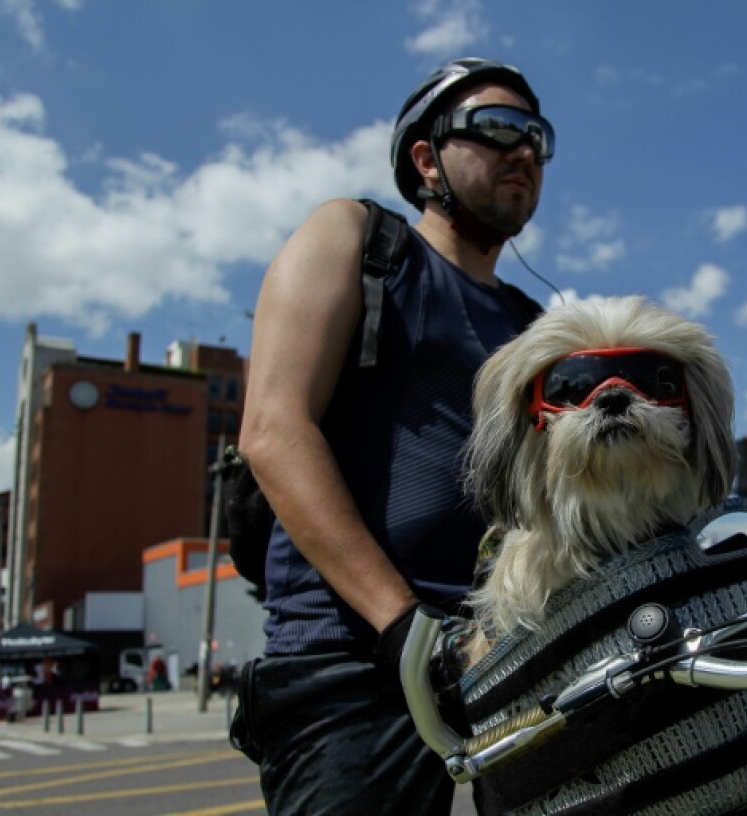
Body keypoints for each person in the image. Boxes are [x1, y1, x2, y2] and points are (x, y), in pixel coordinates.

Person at [232, 57, 552, 815]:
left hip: (506, 659)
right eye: (500, 128)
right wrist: (406, 629)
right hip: (356, 662)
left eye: (538, 137)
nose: (525, 152)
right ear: (426, 157)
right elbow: (274, 430)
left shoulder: (537, 327)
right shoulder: (356, 237)